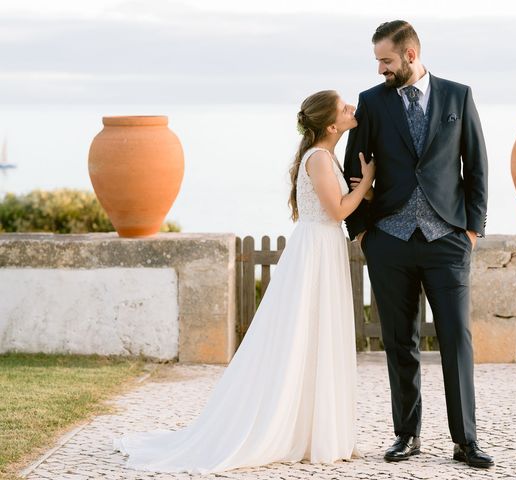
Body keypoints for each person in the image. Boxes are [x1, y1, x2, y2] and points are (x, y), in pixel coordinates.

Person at [113, 90, 375, 474]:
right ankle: (298, 428)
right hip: (316, 250)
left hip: (323, 248)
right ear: (332, 125)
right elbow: (336, 211)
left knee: (319, 334)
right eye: (344, 108)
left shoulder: (325, 155)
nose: (353, 109)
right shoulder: (319, 158)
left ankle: (317, 427)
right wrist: (366, 183)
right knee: (305, 332)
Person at [344, 20, 493, 468]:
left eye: (386, 61)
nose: (380, 70)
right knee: (398, 340)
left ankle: (465, 440)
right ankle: (406, 436)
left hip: (446, 237)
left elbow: (477, 165)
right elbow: (354, 168)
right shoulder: (372, 103)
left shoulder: (457, 95)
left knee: (456, 339)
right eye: (377, 62)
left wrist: (471, 230)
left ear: (410, 55)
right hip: (389, 240)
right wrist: (364, 233)